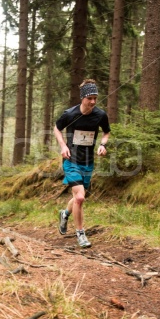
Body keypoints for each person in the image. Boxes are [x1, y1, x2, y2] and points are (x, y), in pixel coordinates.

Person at [54, 79, 111, 248]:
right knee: (80, 197)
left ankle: (64, 214)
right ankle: (80, 233)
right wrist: (63, 146)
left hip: (88, 162)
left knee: (78, 197)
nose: (93, 101)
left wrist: (102, 145)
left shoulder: (100, 115)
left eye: (95, 98)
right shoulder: (70, 114)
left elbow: (106, 132)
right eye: (89, 98)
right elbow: (57, 128)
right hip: (71, 160)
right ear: (82, 98)